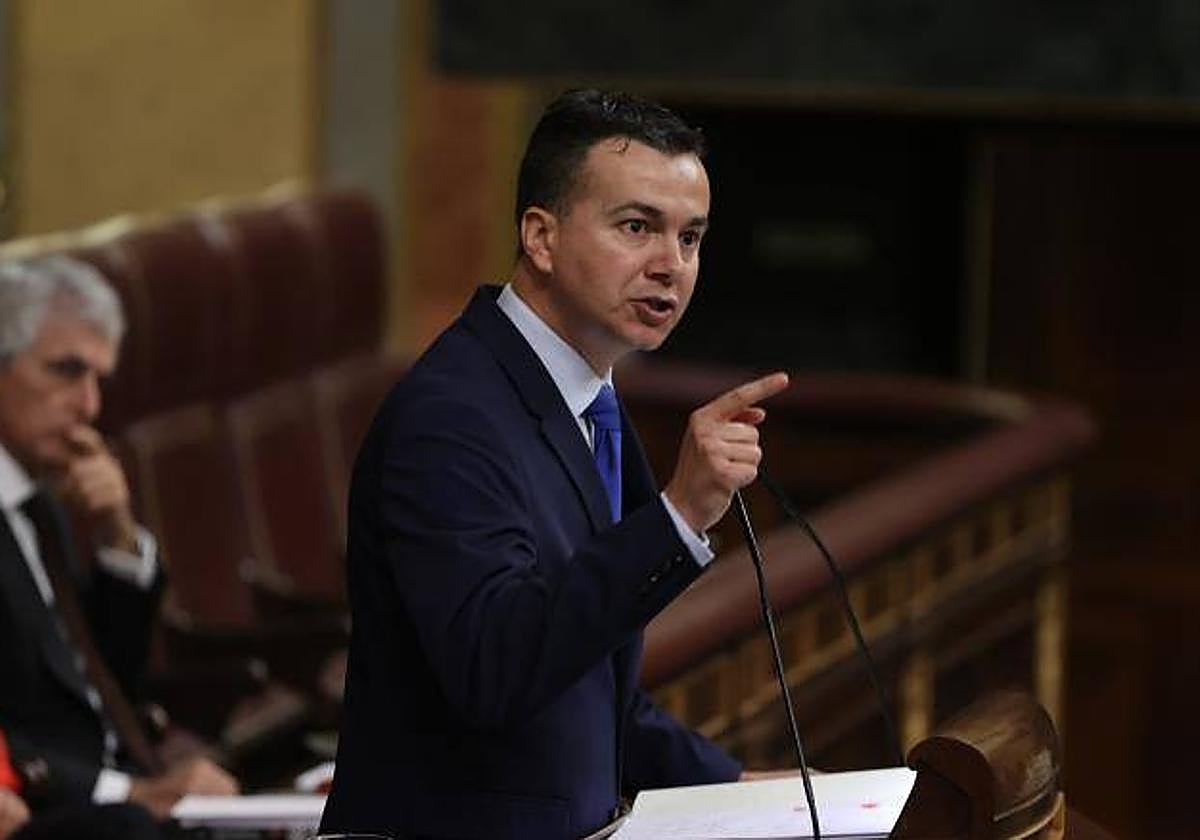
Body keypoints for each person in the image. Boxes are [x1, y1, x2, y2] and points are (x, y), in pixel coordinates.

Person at [320, 89, 789, 839]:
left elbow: (590, 688)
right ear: (540, 236)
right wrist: (676, 515)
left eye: (691, 238)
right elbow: (494, 665)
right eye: (637, 227)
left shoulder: (586, 403)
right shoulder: (452, 415)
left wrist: (741, 785)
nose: (671, 266)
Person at [0, 256, 238, 825]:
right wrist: (127, 795)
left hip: (116, 783)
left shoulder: (40, 502)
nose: (90, 407)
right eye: (65, 371)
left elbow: (103, 685)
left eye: (98, 380)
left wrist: (118, 534)